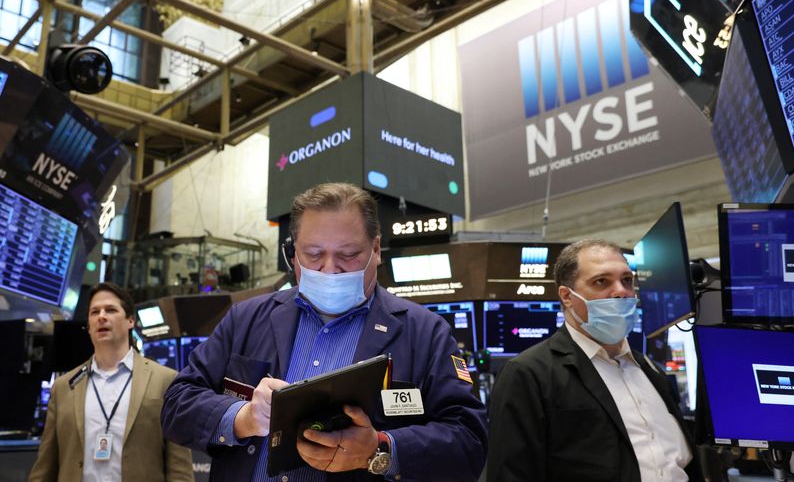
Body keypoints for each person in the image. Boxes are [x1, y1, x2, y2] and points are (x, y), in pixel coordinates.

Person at [161, 182, 487, 481]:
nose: (330, 269)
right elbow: (178, 403)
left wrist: (380, 449)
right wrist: (242, 417)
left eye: (348, 255)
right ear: (293, 254)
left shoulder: (425, 333)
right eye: (314, 255)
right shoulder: (246, 318)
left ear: (376, 249)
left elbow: (469, 439)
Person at [485, 239, 702, 481]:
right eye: (602, 281)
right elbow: (509, 473)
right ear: (567, 296)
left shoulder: (651, 371)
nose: (621, 291)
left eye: (627, 280)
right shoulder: (529, 373)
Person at [29, 282, 194, 482]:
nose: (101, 316)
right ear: (88, 326)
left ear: (130, 320)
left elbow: (179, 469)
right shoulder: (64, 387)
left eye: (111, 310)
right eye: (94, 312)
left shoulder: (165, 381)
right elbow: (46, 465)